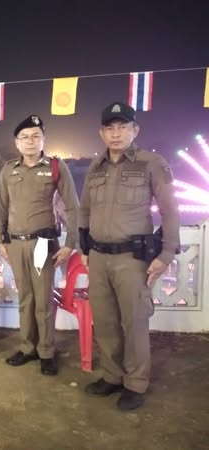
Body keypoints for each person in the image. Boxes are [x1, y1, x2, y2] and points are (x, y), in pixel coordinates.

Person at [79, 102, 180, 410]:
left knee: (134, 323)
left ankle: (135, 383)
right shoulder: (96, 166)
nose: (116, 133)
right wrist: (84, 248)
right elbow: (84, 210)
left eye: (123, 127)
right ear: (101, 132)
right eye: (110, 128)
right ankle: (112, 376)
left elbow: (170, 210)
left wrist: (166, 253)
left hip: (132, 260)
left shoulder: (151, 163)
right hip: (98, 257)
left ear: (135, 130)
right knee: (105, 321)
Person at [0, 115, 79, 376]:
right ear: (17, 142)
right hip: (16, 244)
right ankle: (27, 347)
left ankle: (46, 352)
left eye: (35, 136)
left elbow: (72, 207)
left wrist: (70, 243)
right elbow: (2, 207)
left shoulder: (55, 166)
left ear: (43, 139)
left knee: (43, 300)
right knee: (25, 299)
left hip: (44, 244)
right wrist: (0, 239)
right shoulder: (9, 170)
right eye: (24, 137)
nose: (30, 141)